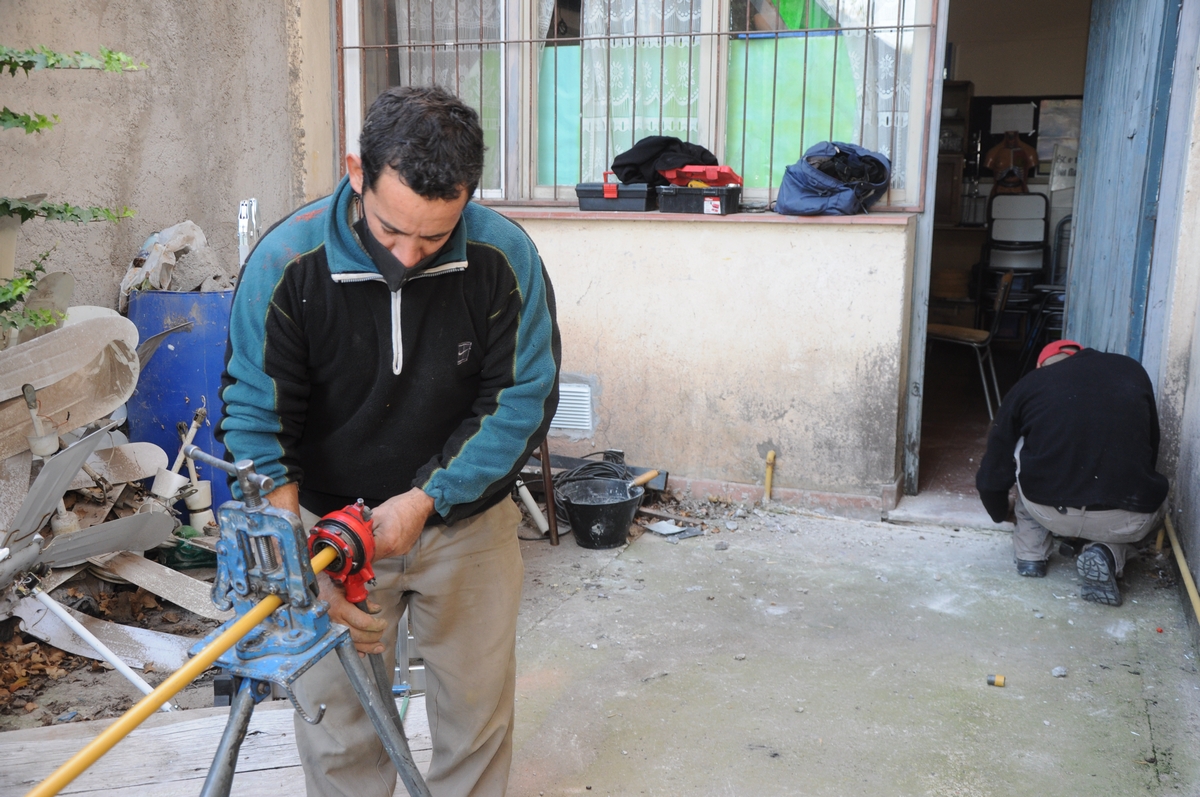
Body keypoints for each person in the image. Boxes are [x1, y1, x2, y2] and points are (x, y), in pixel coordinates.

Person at [218, 86, 561, 796]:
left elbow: (520, 402)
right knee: (342, 733)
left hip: (462, 519)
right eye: (390, 228)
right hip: (322, 527)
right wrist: (296, 563)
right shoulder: (285, 264)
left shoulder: (505, 259)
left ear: (468, 194)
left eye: (433, 236)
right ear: (356, 171)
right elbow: (256, 422)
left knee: (475, 722)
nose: (407, 254)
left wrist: (426, 501)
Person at [975, 340, 1168, 606]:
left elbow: (994, 472)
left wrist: (1000, 512)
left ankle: (1030, 554)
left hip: (1049, 511)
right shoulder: (1131, 369)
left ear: (1042, 365)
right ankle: (1107, 552)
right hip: (1126, 518)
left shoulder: (1030, 385)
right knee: (1160, 502)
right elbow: (1151, 447)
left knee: (1022, 450)